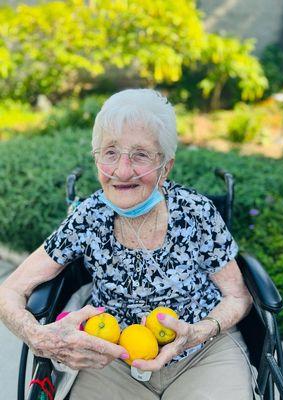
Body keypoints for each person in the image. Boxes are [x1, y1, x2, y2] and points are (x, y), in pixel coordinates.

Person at [0, 89, 254, 400]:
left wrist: (198, 332)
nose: (121, 171)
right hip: (113, 358)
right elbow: (9, 290)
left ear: (166, 167)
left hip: (202, 354)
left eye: (140, 154)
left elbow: (238, 296)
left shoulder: (196, 212)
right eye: (110, 152)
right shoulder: (88, 216)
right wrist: (38, 337)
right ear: (97, 160)